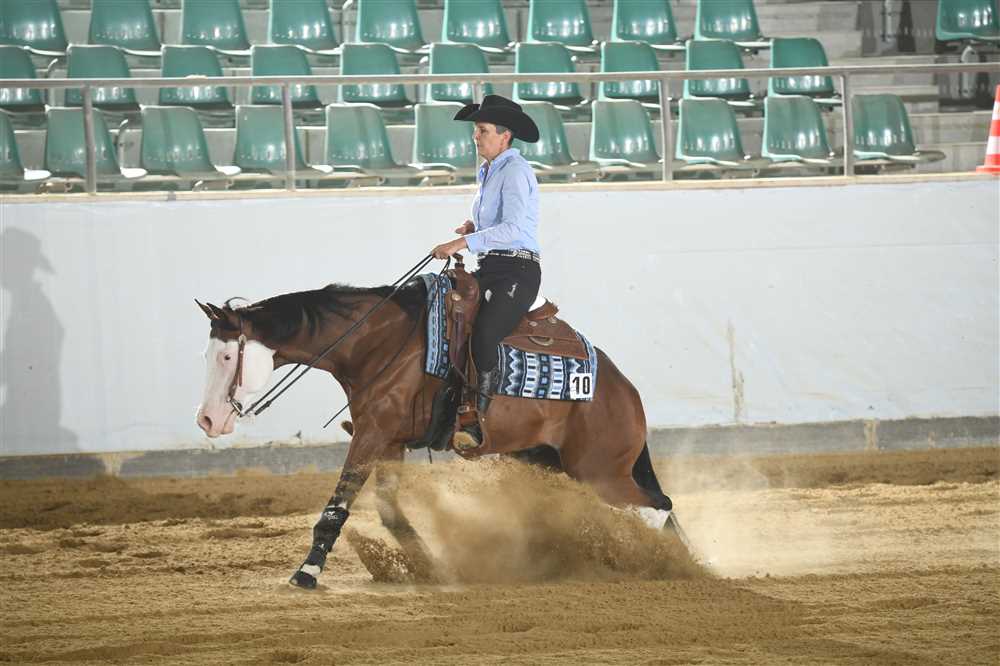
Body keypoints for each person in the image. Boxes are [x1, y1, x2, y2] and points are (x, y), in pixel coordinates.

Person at [430, 95, 542, 450]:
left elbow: (513, 228)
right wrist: (473, 228)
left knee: (485, 334)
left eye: (482, 130)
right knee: (447, 323)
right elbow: (500, 224)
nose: (475, 136)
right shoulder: (489, 170)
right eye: (476, 130)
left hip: (517, 271)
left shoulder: (515, 170)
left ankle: (479, 421)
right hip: (493, 266)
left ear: (504, 136)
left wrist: (460, 243)